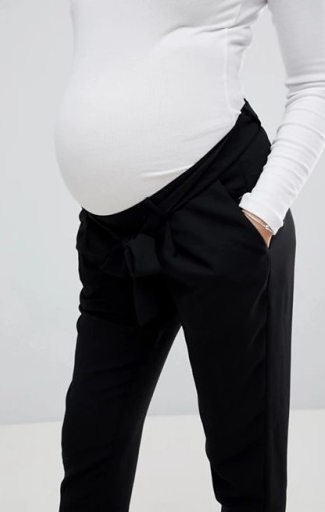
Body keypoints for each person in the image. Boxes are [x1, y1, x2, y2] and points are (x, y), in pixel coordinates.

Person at [53, 1, 325, 511]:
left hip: (222, 210)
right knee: (91, 445)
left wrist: (261, 215)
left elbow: (317, 79)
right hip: (112, 235)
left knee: (246, 470)